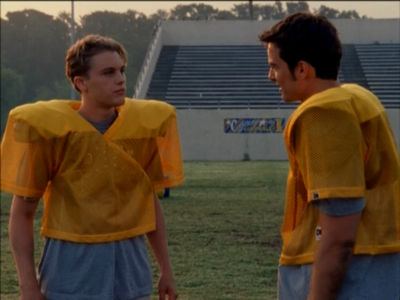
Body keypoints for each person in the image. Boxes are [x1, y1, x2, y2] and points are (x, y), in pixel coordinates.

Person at [1, 34, 184, 300]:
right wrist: (28, 285)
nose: (120, 79)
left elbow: (148, 202)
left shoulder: (139, 129)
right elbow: (21, 214)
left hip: (131, 268)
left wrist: (166, 269)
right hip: (70, 268)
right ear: (80, 82)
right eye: (108, 73)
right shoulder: (54, 133)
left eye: (121, 70)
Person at [259, 12, 400, 300]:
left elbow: (337, 238)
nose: (271, 75)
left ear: (301, 69)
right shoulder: (357, 96)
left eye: (275, 66)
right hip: (378, 265)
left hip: (349, 275)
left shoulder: (322, 113)